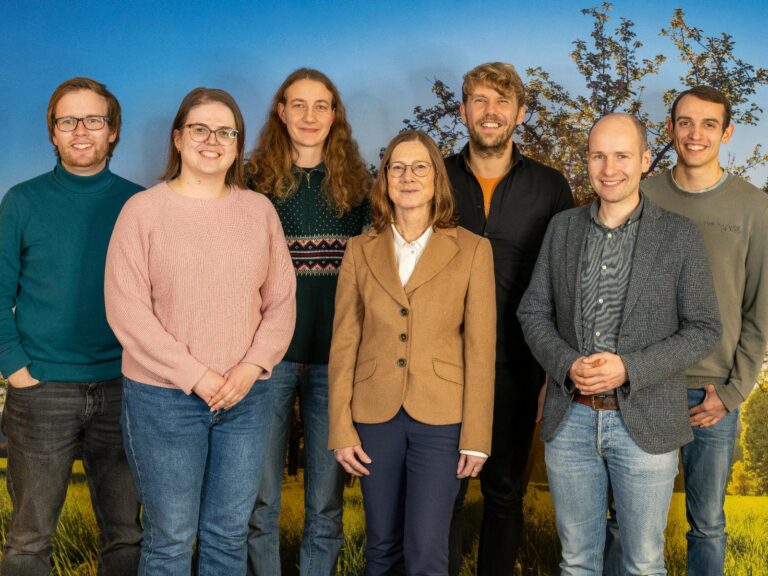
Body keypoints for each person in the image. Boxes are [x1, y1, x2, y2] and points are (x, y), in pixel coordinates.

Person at [517, 113, 722, 574]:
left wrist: (630, 367)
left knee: (644, 563)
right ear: (586, 160)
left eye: (623, 155)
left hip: (647, 423)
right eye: (598, 155)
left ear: (646, 160)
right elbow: (532, 312)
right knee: (576, 562)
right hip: (570, 421)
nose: (610, 168)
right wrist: (566, 363)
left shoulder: (679, 235)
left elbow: (704, 327)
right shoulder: (562, 229)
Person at [104, 87, 296, 575]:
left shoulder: (259, 212)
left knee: (228, 537)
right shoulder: (143, 211)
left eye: (225, 131)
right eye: (200, 129)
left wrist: (251, 368)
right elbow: (127, 310)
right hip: (163, 400)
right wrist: (196, 375)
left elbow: (280, 303)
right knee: (170, 541)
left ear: (237, 144)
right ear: (178, 138)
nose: (213, 140)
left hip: (246, 398)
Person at [604, 87, 768, 576]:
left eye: (709, 124)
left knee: (708, 523)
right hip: (644, 383)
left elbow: (761, 306)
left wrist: (735, 390)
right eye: (685, 123)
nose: (695, 134)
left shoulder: (753, 207)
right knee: (623, 521)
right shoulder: (643, 193)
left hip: (712, 392)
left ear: (727, 131)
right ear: (671, 128)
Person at [328, 130, 496, 576]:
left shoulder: (473, 250)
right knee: (381, 547)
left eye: (419, 166)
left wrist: (477, 436)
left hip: (442, 418)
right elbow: (344, 342)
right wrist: (340, 427)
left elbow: (481, 349)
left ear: (436, 179)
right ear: (384, 180)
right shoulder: (359, 250)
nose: (407, 176)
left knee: (426, 551)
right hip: (373, 415)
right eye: (396, 167)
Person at [0, 77, 142, 576]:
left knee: (125, 536)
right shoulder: (21, 201)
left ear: (113, 132)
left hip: (124, 388)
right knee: (28, 540)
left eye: (94, 120)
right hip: (41, 390)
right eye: (68, 121)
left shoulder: (140, 204)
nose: (81, 130)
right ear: (53, 133)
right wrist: (16, 367)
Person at [444, 61, 573, 575]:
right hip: (443, 364)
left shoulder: (550, 187)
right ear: (463, 111)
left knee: (503, 494)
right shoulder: (436, 178)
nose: (490, 112)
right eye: (479, 100)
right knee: (442, 494)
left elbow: (564, 284)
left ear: (520, 112)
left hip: (519, 367)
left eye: (502, 102)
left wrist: (552, 374)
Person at [245, 68, 370, 576]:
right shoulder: (251, 182)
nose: (310, 116)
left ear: (335, 115)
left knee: (325, 503)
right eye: (299, 104)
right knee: (260, 503)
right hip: (265, 361)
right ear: (281, 111)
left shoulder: (360, 187)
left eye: (321, 106)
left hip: (334, 362)